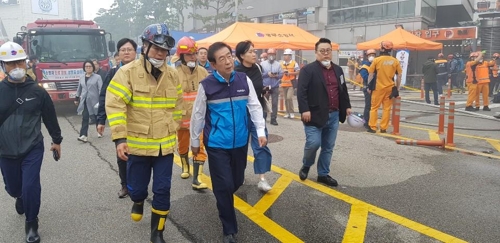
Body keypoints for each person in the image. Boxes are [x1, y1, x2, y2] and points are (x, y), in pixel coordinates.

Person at [105, 23, 182, 243]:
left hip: (163, 147)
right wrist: (120, 138)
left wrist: (173, 128)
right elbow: (115, 104)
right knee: (137, 190)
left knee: (163, 189)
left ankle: (157, 233)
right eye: (156, 48)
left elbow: (178, 107)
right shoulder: (127, 72)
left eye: (164, 50)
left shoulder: (173, 75)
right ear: (145, 46)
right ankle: (138, 200)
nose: (160, 53)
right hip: (137, 145)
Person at [190, 42, 266, 243]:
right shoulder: (207, 86)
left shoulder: (243, 79)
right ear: (213, 64)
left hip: (240, 142)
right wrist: (194, 140)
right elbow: (198, 115)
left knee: (237, 181)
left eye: (229, 56)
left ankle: (223, 197)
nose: (227, 61)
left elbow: (255, 106)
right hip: (216, 144)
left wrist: (260, 130)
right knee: (224, 185)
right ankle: (229, 229)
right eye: (221, 59)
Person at [0, 41, 63, 243]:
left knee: (31, 185)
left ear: (26, 63)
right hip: (5, 149)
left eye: (19, 62)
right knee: (13, 188)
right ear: (3, 66)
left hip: (32, 147)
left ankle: (32, 223)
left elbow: (50, 117)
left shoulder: (37, 91)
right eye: (10, 63)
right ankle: (18, 196)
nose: (16, 67)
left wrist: (57, 140)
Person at [297, 38, 352, 187]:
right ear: (316, 53)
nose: (325, 54)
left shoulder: (338, 70)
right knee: (313, 143)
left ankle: (323, 174)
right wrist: (305, 110)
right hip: (314, 115)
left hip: (334, 115)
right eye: (322, 51)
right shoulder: (308, 70)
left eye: (328, 51)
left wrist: (346, 106)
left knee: (328, 146)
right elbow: (301, 92)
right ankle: (307, 164)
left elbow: (342, 90)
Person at [97, 38, 138, 198]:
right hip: (120, 121)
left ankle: (138, 182)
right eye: (123, 50)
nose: (126, 52)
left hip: (139, 121)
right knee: (122, 154)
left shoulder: (143, 71)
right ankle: (125, 185)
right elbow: (104, 96)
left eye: (129, 49)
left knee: (140, 155)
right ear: (118, 54)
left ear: (136, 53)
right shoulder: (113, 72)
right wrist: (101, 120)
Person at [235, 40, 273, 192]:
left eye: (254, 51)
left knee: (261, 145)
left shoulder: (258, 67)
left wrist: (263, 90)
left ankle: (262, 179)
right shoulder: (236, 72)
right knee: (240, 147)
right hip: (241, 115)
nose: (254, 54)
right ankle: (239, 174)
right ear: (242, 55)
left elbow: (257, 88)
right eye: (250, 51)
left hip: (257, 114)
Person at [175, 36, 209, 190]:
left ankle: (197, 178)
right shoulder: (174, 73)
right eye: (189, 54)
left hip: (199, 120)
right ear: (181, 56)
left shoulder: (203, 72)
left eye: (194, 54)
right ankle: (185, 167)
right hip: (181, 119)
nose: (193, 57)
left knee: (200, 147)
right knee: (182, 146)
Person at [366, 41, 402, 133]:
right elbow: (399, 76)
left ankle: (373, 127)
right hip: (390, 88)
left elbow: (371, 75)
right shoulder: (395, 61)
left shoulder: (376, 60)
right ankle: (383, 128)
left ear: (382, 48)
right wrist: (397, 88)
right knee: (386, 108)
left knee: (374, 108)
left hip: (378, 88)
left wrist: (369, 86)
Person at [75, 60, 103, 142]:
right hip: (85, 101)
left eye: (90, 66)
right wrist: (77, 98)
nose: (88, 68)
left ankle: (99, 130)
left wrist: (101, 100)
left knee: (96, 116)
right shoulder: (82, 77)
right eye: (86, 66)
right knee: (85, 117)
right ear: (84, 68)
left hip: (95, 101)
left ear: (93, 67)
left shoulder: (97, 77)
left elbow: (100, 89)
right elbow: (79, 88)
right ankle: (83, 135)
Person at [261, 48, 283, 125]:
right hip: (266, 86)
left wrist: (276, 76)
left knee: (274, 103)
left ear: (275, 55)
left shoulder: (278, 64)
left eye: (273, 55)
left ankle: (273, 119)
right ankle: (263, 117)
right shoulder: (263, 64)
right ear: (267, 55)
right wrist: (267, 74)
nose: (271, 56)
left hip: (275, 86)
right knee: (265, 102)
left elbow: (281, 75)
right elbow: (260, 74)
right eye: (270, 55)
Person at [280, 48, 300, 119]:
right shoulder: (281, 63)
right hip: (283, 83)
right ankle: (287, 112)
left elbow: (298, 71)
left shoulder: (294, 63)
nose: (285, 56)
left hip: (291, 83)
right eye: (284, 55)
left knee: (289, 98)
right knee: (286, 99)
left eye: (286, 55)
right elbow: (279, 72)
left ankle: (291, 112)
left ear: (290, 56)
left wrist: (290, 73)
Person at [360, 49, 376, 129]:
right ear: (367, 57)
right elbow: (365, 77)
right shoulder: (365, 66)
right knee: (368, 105)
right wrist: (373, 77)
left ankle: (371, 121)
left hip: (374, 88)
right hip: (367, 88)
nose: (371, 57)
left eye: (373, 55)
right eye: (370, 55)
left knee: (373, 106)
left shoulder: (376, 64)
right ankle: (366, 122)